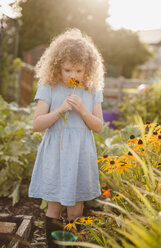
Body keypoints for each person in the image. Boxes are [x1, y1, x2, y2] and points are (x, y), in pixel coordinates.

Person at [28, 28, 104, 247]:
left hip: (80, 152)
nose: (73, 76)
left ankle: (74, 244)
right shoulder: (49, 87)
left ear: (88, 69)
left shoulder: (91, 90)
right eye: (67, 70)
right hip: (55, 152)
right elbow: (37, 124)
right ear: (56, 67)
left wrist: (82, 110)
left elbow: (98, 126)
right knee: (54, 204)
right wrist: (60, 109)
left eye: (79, 70)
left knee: (76, 207)